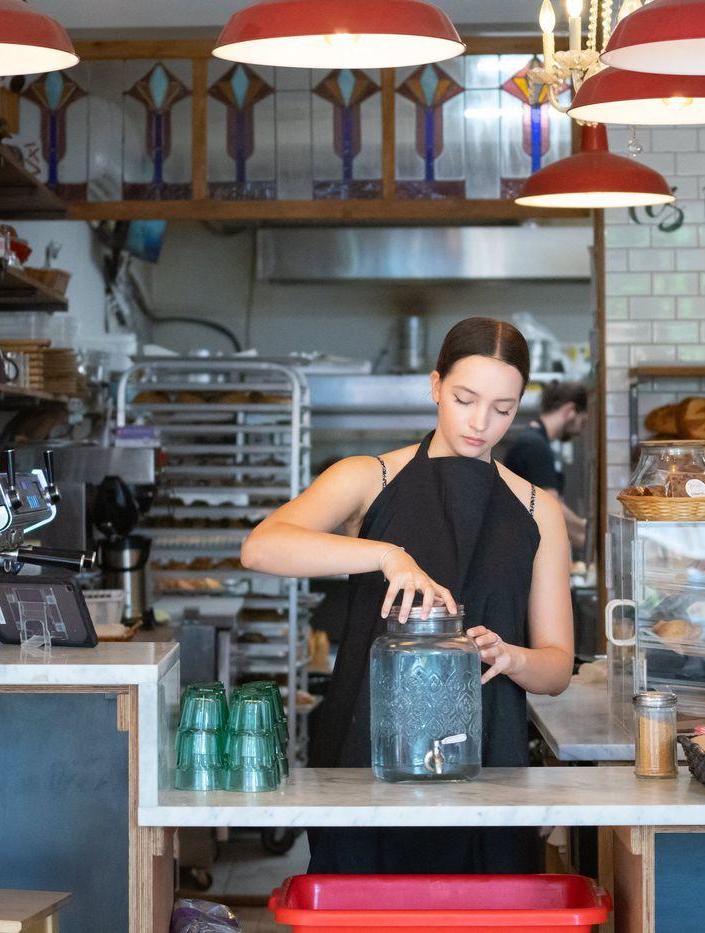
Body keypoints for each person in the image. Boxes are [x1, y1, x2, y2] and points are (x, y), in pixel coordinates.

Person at [241, 317, 574, 874]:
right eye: (465, 399)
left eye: (503, 409)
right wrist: (383, 554)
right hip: (363, 757)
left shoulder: (539, 510)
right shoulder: (366, 477)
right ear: (435, 385)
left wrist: (511, 658)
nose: (480, 423)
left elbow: (558, 668)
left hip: (489, 763)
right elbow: (260, 547)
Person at [502, 380, 589, 551]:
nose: (580, 431)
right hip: (521, 550)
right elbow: (552, 507)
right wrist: (585, 531)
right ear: (569, 411)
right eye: (583, 422)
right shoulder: (535, 446)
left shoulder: (533, 440)